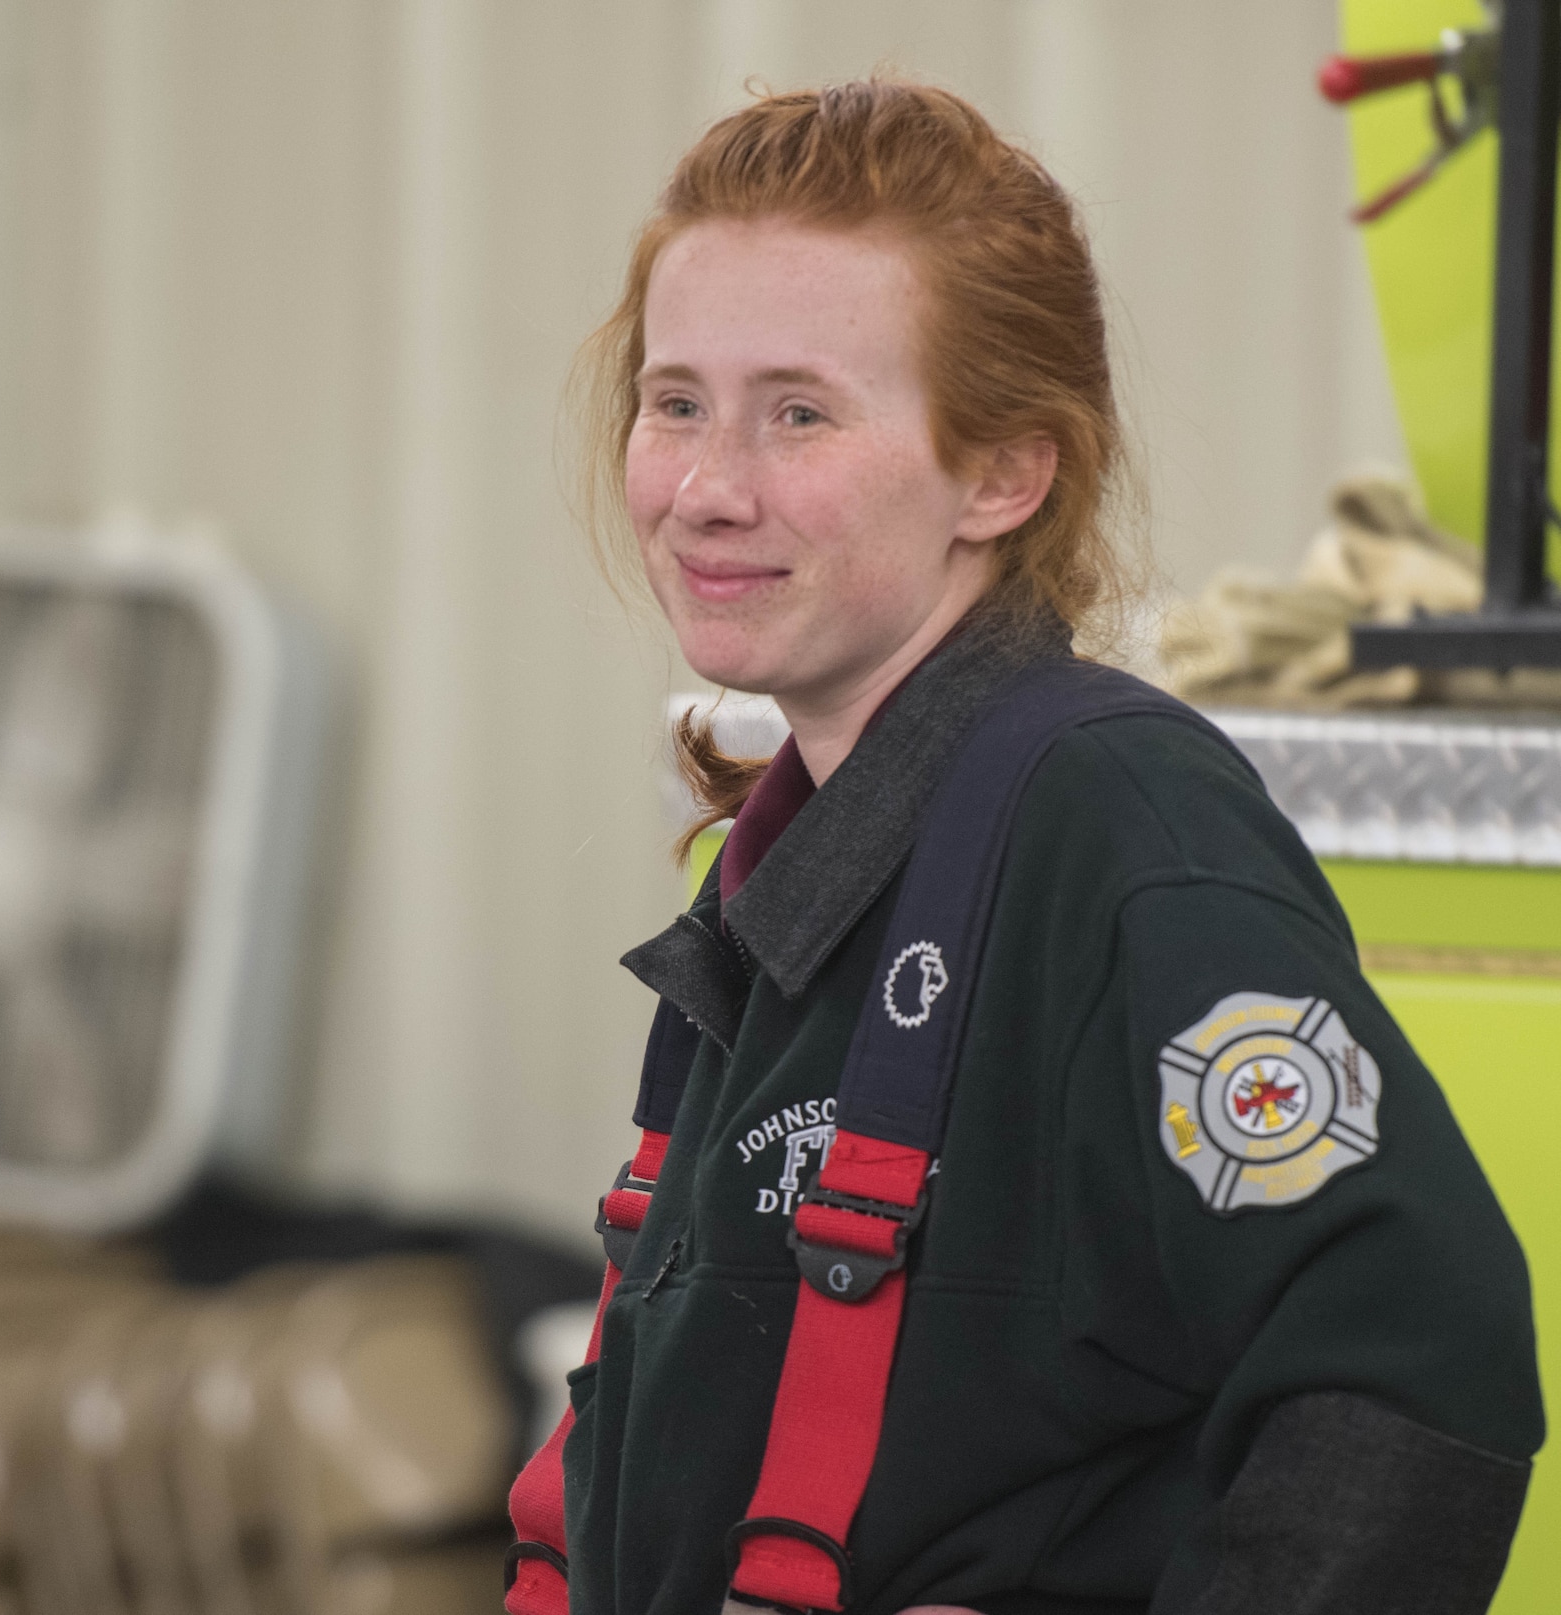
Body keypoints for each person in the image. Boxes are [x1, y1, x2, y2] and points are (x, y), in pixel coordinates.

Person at [504, 79, 1542, 1615]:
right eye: (676, 402)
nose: (709, 489)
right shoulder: (792, 866)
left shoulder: (1118, 828)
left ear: (1002, 474)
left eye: (799, 412)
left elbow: (1415, 1374)